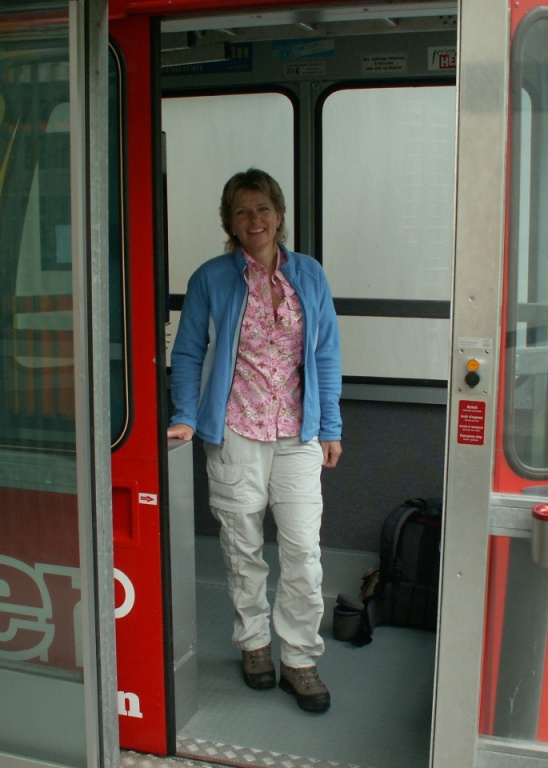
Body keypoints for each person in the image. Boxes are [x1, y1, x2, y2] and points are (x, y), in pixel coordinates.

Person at [167, 168, 343, 713]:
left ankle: (300, 658)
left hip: (298, 432)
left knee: (303, 550)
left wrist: (331, 426)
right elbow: (188, 352)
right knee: (242, 546)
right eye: (242, 211)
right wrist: (185, 415)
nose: (254, 219)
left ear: (279, 214)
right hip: (236, 431)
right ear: (230, 222)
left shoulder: (308, 275)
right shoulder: (211, 278)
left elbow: (326, 353)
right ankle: (254, 644)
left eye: (263, 208)